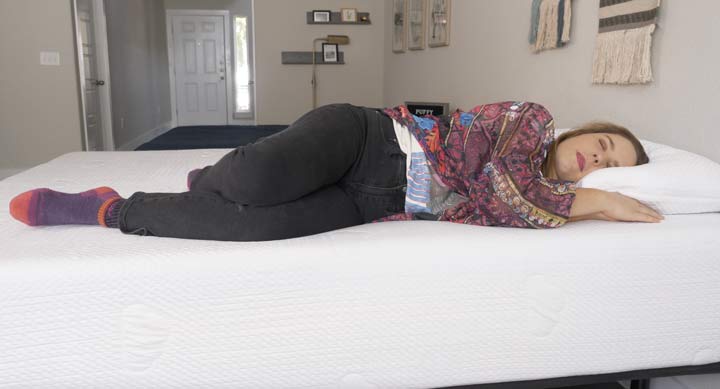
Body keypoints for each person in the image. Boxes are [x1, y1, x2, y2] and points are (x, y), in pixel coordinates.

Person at [8, 101, 663, 242]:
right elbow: (493, 187)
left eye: (610, 168)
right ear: (585, 131)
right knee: (254, 182)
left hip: (376, 202)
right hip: (371, 139)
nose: (599, 158)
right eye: (604, 143)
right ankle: (216, 173)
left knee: (255, 230)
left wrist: (581, 201)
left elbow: (505, 202)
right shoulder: (529, 120)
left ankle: (105, 206)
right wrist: (594, 203)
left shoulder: (547, 200)